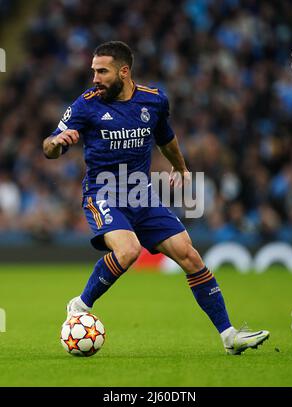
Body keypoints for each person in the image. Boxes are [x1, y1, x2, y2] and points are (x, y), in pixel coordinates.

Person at [43, 41, 269, 355]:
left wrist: (181, 166)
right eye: (93, 70)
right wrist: (57, 142)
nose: (94, 77)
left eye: (102, 71)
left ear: (124, 71)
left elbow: (166, 138)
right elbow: (49, 147)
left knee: (189, 255)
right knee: (129, 249)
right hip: (103, 192)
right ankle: (80, 304)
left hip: (142, 195)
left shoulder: (154, 101)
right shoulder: (86, 104)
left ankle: (229, 336)